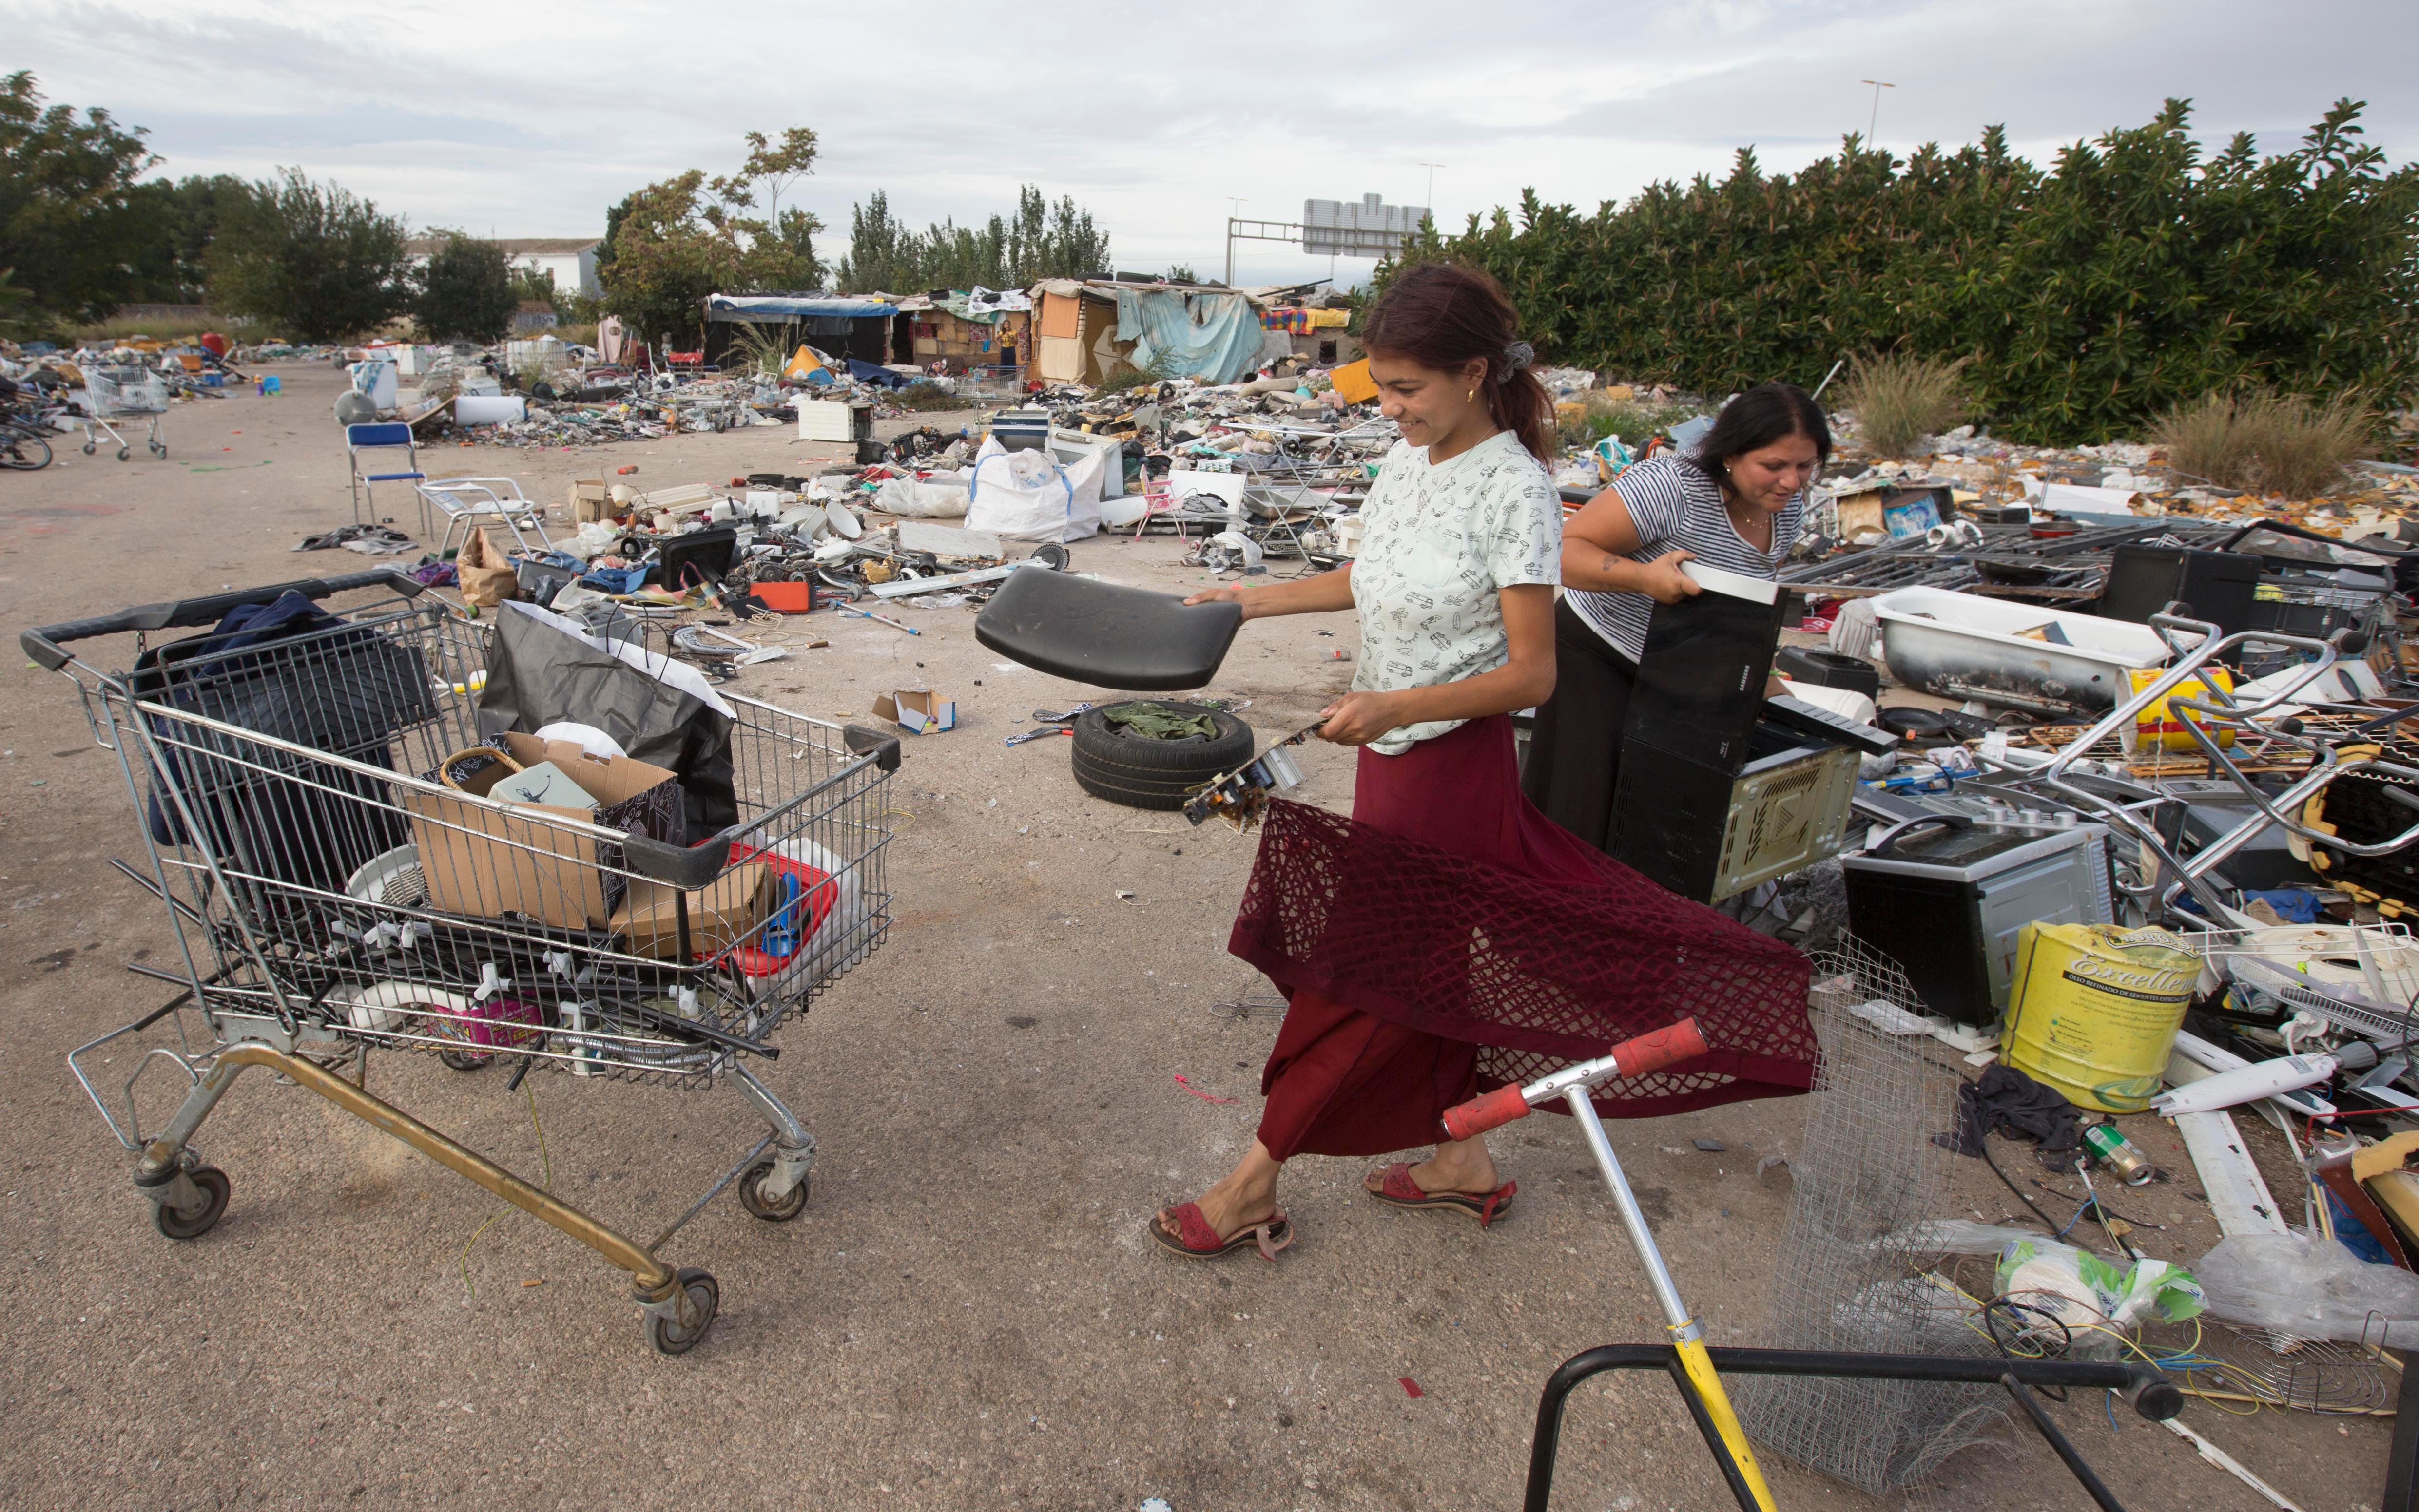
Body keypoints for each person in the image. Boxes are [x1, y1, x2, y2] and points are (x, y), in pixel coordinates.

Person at [1146, 263, 1568, 1260]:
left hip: (1449, 772)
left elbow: (1534, 675)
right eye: (1380, 387)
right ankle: (1461, 1160)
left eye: (1408, 388)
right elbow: (1363, 577)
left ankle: (1254, 1181)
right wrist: (1244, 602)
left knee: (1362, 980)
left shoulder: (1517, 491)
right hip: (1389, 754)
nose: (1392, 407)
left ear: (1473, 374)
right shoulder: (1408, 465)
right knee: (1418, 974)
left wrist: (1397, 704)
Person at [1520, 382, 1833, 852]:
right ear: (1731, 454)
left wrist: (1771, 690)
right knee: (1580, 812)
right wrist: (1643, 578)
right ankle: (1558, 918)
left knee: (1658, 819)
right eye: (1773, 466)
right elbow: (1561, 552)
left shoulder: (1785, 512)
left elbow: (1742, 607)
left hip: (1681, 667)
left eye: (1804, 466)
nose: (1791, 481)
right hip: (1597, 653)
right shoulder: (1672, 486)